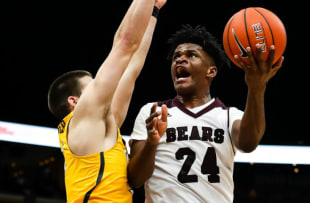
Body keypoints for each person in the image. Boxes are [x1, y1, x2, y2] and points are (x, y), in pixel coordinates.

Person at [127, 24, 284, 202]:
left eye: (191, 55)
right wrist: (151, 143)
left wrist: (257, 87)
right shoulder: (152, 111)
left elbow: (249, 144)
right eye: (176, 56)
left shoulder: (229, 116)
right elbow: (135, 180)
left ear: (211, 71)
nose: (180, 59)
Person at [47, 0, 166, 202]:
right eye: (92, 85)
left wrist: (153, 10)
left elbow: (131, 68)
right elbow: (125, 43)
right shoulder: (83, 120)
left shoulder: (100, 126)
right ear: (74, 102)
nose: (102, 87)